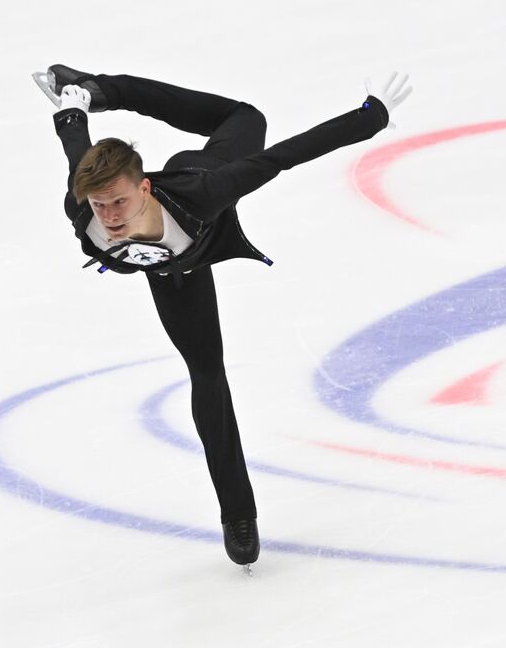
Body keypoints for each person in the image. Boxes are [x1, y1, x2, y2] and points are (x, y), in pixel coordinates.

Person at [41, 64, 412, 571]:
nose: (108, 216)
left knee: (246, 119)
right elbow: (75, 152)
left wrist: (368, 119)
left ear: (144, 188)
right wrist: (71, 112)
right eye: (99, 204)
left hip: (200, 186)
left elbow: (283, 156)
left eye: (119, 201)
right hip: (175, 272)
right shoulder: (83, 208)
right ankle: (238, 513)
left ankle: (110, 88)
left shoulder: (209, 192)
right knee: (208, 375)